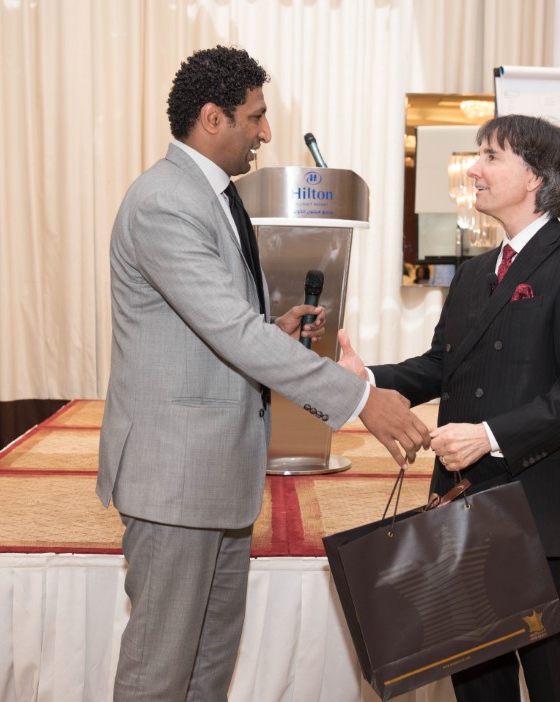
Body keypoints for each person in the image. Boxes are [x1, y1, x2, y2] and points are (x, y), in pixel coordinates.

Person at [96, 46, 429, 702]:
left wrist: (271, 331)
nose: (267, 132)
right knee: (160, 675)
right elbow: (229, 331)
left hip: (217, 476)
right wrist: (361, 398)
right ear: (212, 119)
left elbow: (214, 326)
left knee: (208, 670)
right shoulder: (164, 201)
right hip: (175, 480)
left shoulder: (213, 195)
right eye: (255, 117)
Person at [339, 114, 560, 701]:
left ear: (536, 177)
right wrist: (367, 378)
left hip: (542, 511)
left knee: (558, 685)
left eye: (491, 156)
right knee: (478, 686)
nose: (473, 169)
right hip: (463, 506)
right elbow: (442, 365)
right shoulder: (473, 273)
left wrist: (490, 435)